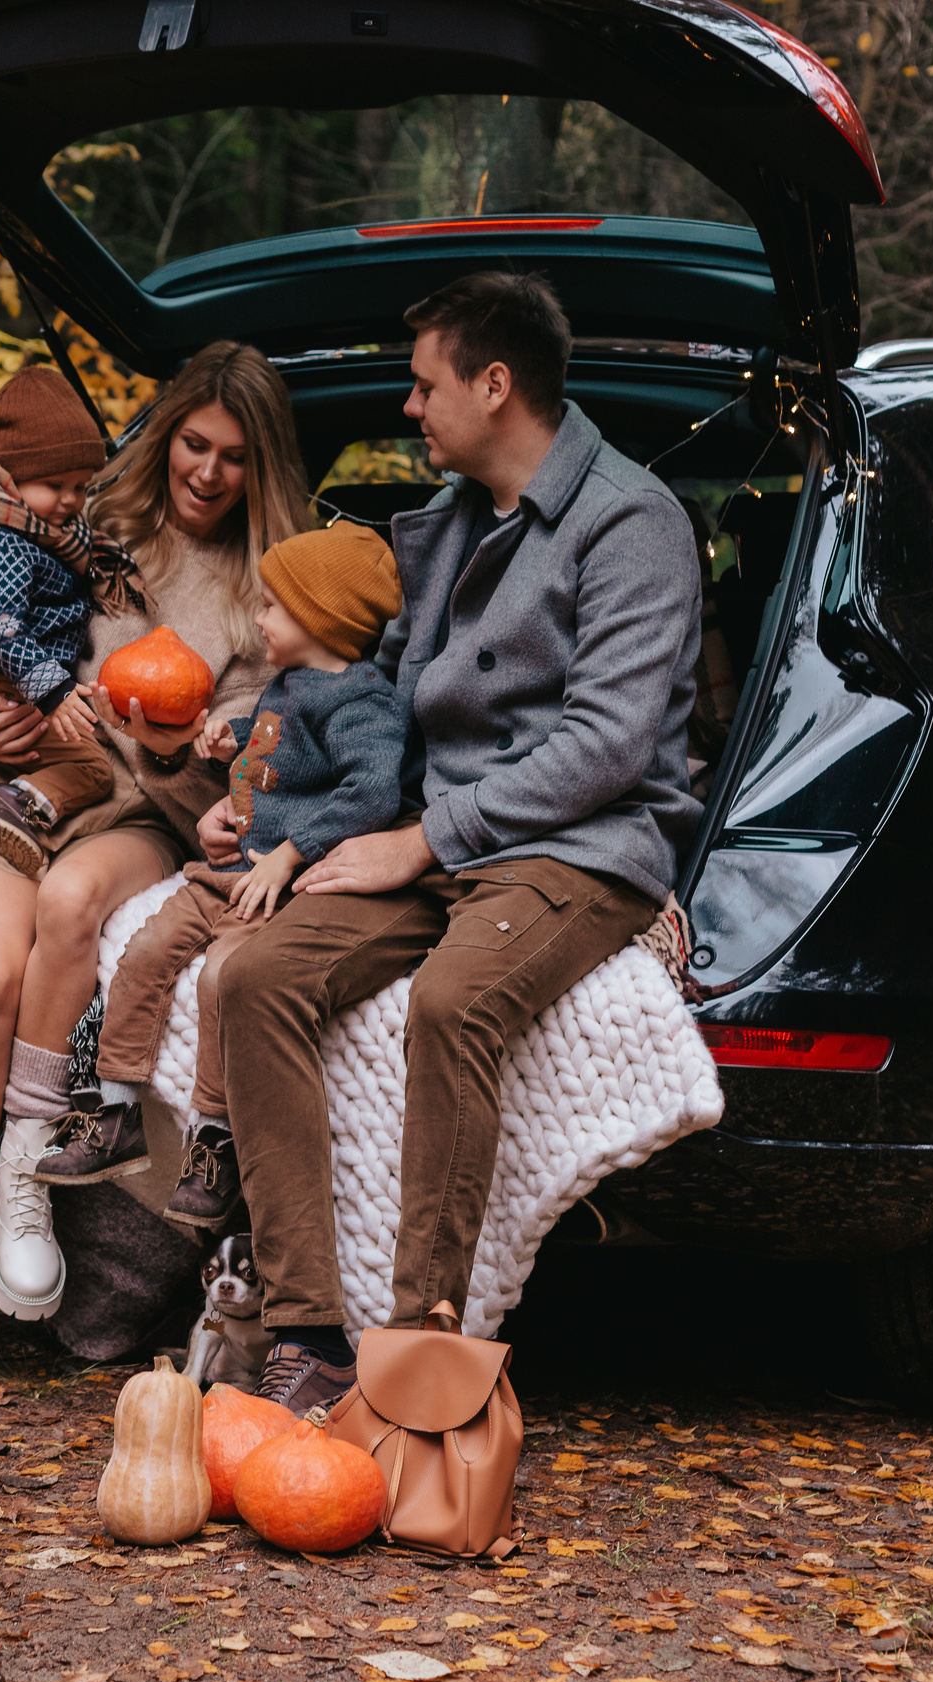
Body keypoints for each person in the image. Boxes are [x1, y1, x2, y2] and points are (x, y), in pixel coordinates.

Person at [211, 271, 704, 1414]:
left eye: (424, 384)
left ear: (495, 386)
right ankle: (306, 1336)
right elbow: (374, 708)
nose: (409, 407)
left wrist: (422, 840)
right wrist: (263, 787)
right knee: (257, 976)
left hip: (578, 850)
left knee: (449, 1004)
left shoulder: (633, 523)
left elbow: (609, 746)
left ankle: (418, 1361)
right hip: (434, 839)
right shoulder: (437, 532)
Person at [0, 342, 312, 1398]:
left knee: (72, 902)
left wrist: (181, 751)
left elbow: (241, 774)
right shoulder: (86, 519)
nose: (206, 473)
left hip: (131, 814)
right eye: (193, 446)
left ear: (262, 470)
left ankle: (27, 1180)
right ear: (165, 441)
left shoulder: (266, 596)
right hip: (13, 786)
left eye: (234, 458)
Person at [36, 521, 408, 1227]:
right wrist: (222, 740)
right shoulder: (286, 686)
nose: (260, 618)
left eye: (273, 606)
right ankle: (113, 1113)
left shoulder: (365, 703)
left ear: (321, 617)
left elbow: (372, 793)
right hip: (222, 872)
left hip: (275, 891)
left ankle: (216, 1139)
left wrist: (292, 852)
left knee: (218, 983)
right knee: (142, 955)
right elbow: (274, 756)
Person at [0, 366, 125, 881]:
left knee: (17, 749)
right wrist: (52, 691)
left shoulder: (38, 531)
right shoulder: (7, 543)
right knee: (92, 769)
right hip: (11, 676)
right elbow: (2, 629)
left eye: (81, 486)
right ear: (9, 481)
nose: (71, 501)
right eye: (53, 485)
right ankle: (18, 807)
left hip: (11, 675)